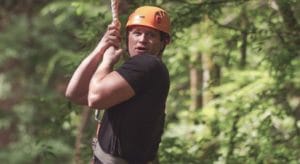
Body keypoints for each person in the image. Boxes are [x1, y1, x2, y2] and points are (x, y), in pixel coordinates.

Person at [65, 6, 171, 164]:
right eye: (137, 33)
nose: (142, 40)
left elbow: (95, 98)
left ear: (163, 42)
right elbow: (75, 93)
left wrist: (106, 62)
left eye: (151, 35)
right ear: (127, 37)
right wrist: (101, 47)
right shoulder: (138, 73)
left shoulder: (148, 65)